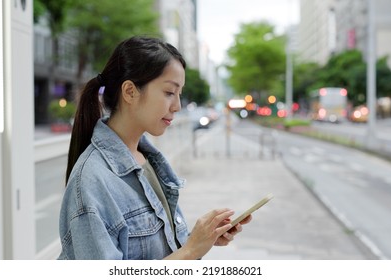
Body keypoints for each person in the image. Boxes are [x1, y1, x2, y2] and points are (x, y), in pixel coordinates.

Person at [58, 35, 251, 260]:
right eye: (169, 92)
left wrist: (200, 239)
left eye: (179, 94)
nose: (177, 106)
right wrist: (190, 251)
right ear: (130, 91)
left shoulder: (146, 158)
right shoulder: (92, 180)